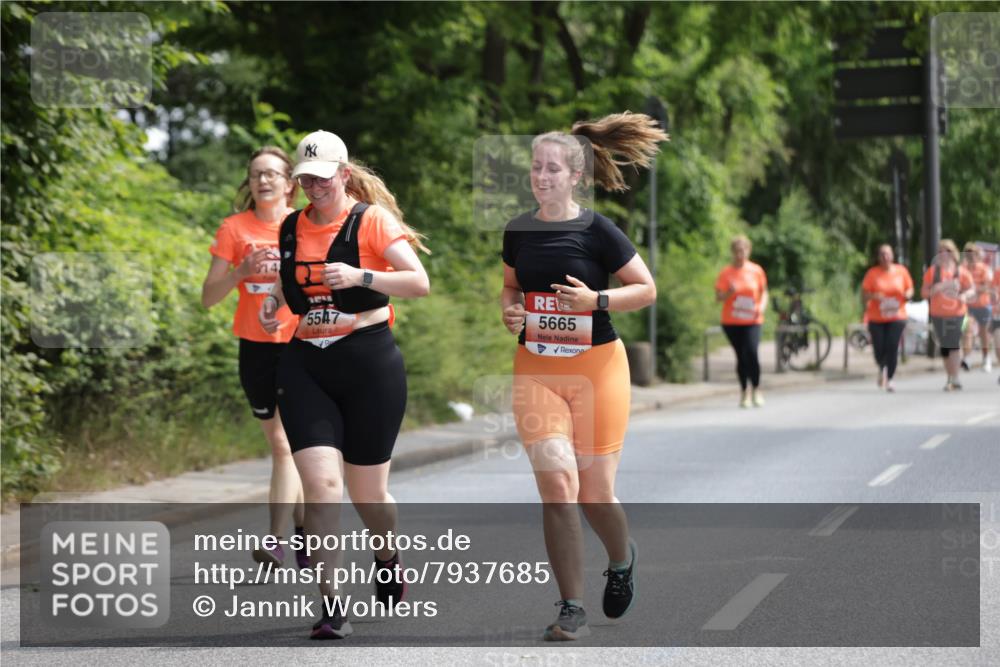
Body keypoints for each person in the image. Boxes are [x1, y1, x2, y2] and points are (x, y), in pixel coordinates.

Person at [259, 130, 430, 639]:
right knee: (322, 486)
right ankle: (333, 605)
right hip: (306, 363)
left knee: (368, 495)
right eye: (305, 178)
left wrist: (360, 278)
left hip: (369, 364)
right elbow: (292, 278)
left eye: (322, 177)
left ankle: (387, 552)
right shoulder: (291, 227)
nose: (313, 187)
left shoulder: (371, 220)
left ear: (345, 174)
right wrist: (273, 300)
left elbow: (418, 282)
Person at [500, 112, 663, 641]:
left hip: (597, 369)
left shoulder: (598, 230)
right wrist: (510, 311)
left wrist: (597, 300)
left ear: (576, 176)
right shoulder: (518, 229)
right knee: (557, 486)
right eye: (535, 168)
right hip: (537, 369)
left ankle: (621, 558)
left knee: (595, 493)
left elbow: (646, 288)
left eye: (553, 168)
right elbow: (510, 288)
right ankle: (571, 605)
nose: (542, 176)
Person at [201, 146, 307, 568]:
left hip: (301, 344)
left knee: (287, 445)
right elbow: (209, 298)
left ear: (289, 184)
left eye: (272, 174)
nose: (263, 181)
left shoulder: (302, 226)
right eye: (255, 174)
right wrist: (241, 271)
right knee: (283, 445)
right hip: (255, 348)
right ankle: (303, 535)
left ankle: (277, 540)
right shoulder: (234, 228)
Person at [715, 235, 769, 407]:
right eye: (737, 251)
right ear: (733, 253)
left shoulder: (756, 271)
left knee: (752, 352)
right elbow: (718, 297)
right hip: (732, 321)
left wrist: (761, 306)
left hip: (753, 319)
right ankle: (744, 391)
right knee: (741, 356)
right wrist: (729, 293)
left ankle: (757, 389)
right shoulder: (726, 273)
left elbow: (764, 291)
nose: (740, 254)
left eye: (743, 250)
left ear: (748, 251)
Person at [921, 239, 975, 391]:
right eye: (941, 251)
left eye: (947, 251)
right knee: (945, 347)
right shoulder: (933, 272)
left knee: (954, 344)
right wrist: (937, 288)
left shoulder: (961, 271)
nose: (944, 254)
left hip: (958, 312)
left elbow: (971, 289)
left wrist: (965, 295)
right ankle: (950, 376)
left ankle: (955, 378)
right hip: (938, 313)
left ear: (953, 253)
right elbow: (924, 292)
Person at [860, 244, 914, 392]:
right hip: (877, 316)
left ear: (892, 256)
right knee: (879, 348)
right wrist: (873, 296)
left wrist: (908, 294)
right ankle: (882, 366)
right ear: (879, 257)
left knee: (892, 346)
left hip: (897, 315)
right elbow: (864, 295)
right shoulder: (872, 273)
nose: (885, 257)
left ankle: (890, 378)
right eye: (882, 254)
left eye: (888, 254)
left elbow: (910, 288)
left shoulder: (901, 271)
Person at [960, 243, 994, 372]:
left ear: (977, 255)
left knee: (983, 333)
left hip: (983, 305)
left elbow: (987, 286)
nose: (970, 256)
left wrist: (973, 290)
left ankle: (986, 358)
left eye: (972, 253)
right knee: (967, 331)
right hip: (967, 307)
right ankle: (967, 358)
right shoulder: (962, 269)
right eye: (967, 253)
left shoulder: (984, 268)